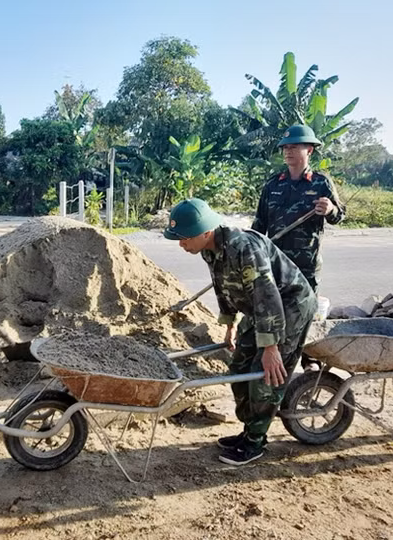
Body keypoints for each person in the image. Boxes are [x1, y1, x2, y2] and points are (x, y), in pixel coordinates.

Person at [164, 198, 316, 465]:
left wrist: (271, 348)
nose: (181, 244)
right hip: (259, 310)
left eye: (185, 238)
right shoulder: (209, 250)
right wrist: (230, 325)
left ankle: (255, 441)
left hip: (289, 307)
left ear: (205, 232)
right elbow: (222, 286)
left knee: (264, 374)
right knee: (238, 367)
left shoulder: (245, 248)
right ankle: (249, 430)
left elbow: (267, 295)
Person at [251, 124, 344, 371]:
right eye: (285, 148)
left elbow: (339, 215)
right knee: (274, 310)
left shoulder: (321, 183)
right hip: (275, 262)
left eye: (294, 147)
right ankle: (271, 358)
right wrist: (252, 251)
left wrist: (330, 210)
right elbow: (259, 224)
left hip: (305, 264)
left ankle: (309, 360)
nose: (288, 152)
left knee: (305, 312)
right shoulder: (273, 185)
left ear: (309, 150)